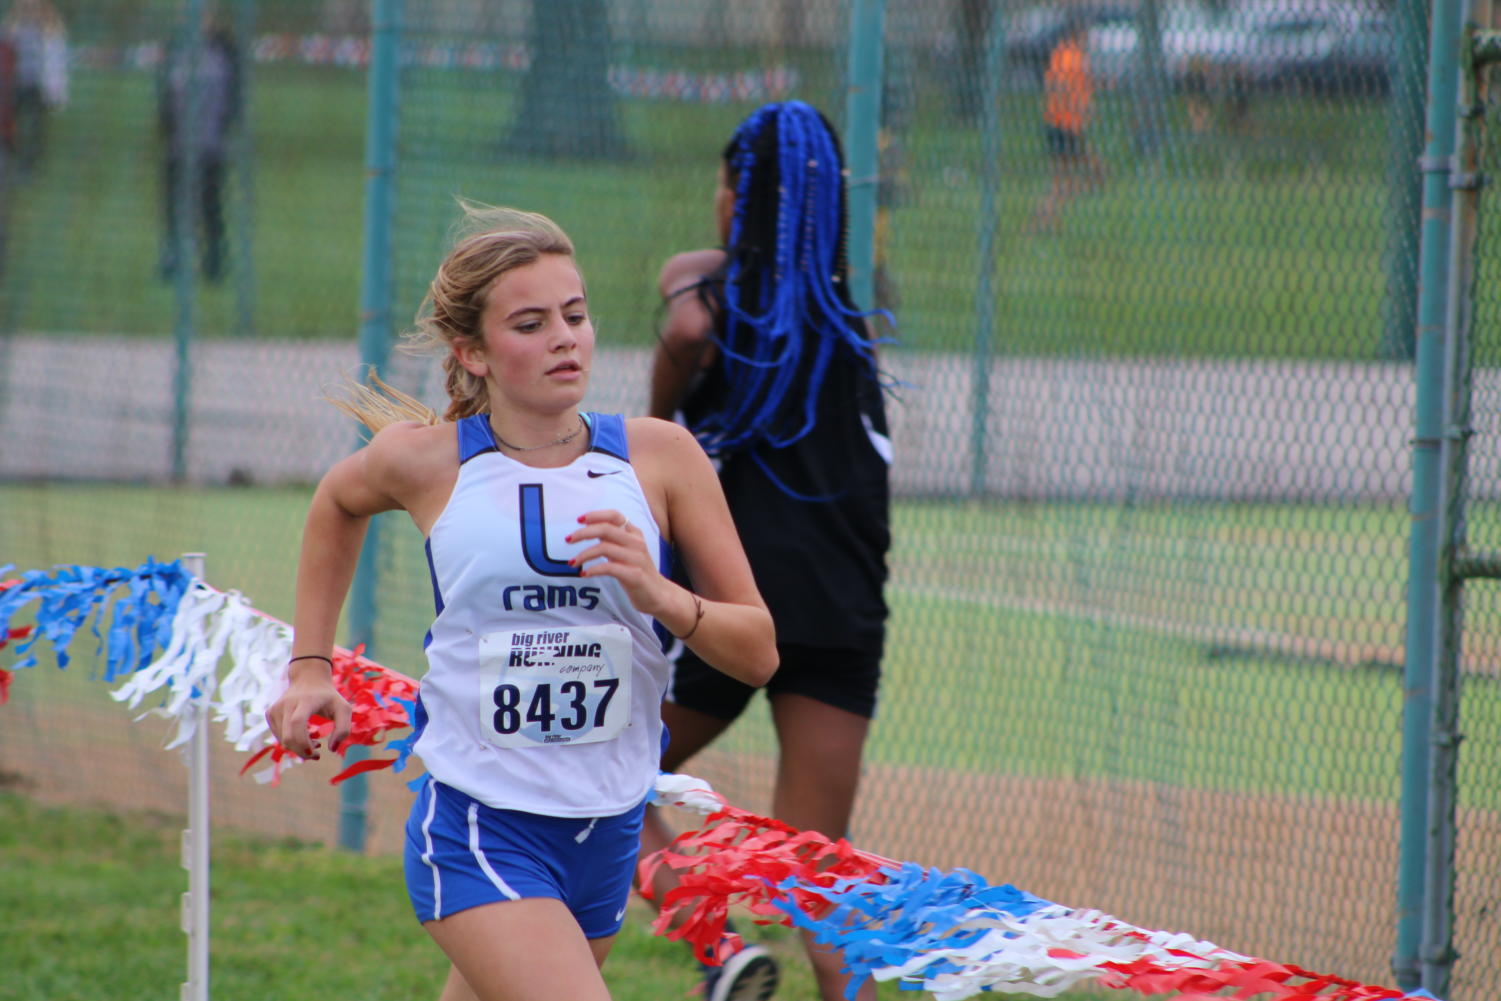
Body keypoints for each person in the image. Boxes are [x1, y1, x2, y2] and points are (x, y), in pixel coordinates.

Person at [264, 204, 779, 1001]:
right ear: (473, 351)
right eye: (531, 323)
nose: (564, 337)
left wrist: (659, 593)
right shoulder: (427, 462)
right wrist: (308, 666)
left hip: (606, 828)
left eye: (574, 315)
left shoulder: (661, 458)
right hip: (478, 822)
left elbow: (758, 651)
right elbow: (337, 502)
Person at [641, 101, 892, 1001]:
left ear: (736, 201)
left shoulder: (702, 303)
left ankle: (719, 949)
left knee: (589, 765)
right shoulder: (853, 322)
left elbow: (676, 349)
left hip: (737, 607)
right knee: (815, 873)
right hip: (846, 612)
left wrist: (662, 435)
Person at [156, 7, 241, 282]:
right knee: (175, 203)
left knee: (210, 204)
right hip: (179, 143)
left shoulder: (224, 50)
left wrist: (226, 124)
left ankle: (214, 260)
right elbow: (165, 93)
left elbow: (234, 95)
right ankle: (174, 257)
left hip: (210, 143)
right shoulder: (176, 48)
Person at [1027, 16, 1106, 233]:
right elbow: (1057, 86)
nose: (1089, 40)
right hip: (1064, 124)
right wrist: (1078, 106)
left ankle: (1049, 217)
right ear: (1078, 35)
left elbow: (1077, 83)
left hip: (1069, 125)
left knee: (1086, 174)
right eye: (1086, 35)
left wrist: (1096, 88)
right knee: (1073, 179)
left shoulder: (1068, 55)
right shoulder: (1070, 57)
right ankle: (1043, 217)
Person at [0, 0, 66, 176]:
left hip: (37, 86)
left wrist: (55, 92)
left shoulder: (51, 30)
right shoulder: (12, 27)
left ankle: (28, 165)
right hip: (14, 84)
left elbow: (56, 63)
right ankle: (8, 155)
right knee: (9, 122)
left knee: (34, 127)